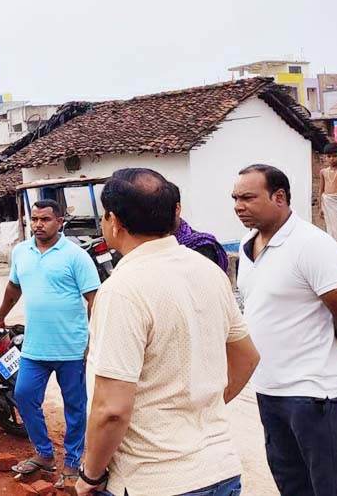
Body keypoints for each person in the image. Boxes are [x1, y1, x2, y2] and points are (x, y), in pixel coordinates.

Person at [76, 168, 260, 496]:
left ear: (114, 221)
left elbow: (111, 410)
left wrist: (90, 475)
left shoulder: (122, 290)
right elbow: (247, 356)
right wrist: (197, 408)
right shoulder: (209, 272)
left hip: (155, 480)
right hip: (220, 470)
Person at [233, 164, 337, 496]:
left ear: (278, 197)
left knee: (333, 490)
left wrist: (336, 338)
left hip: (316, 394)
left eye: (248, 197)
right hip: (270, 390)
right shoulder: (246, 245)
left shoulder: (312, 245)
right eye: (235, 198)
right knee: (293, 486)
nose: (239, 206)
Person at [0, 199, 100, 488]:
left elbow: (94, 299)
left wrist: (91, 339)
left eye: (45, 219)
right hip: (35, 347)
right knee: (24, 396)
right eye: (34, 219)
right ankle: (45, 454)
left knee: (74, 406)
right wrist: (0, 316)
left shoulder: (75, 255)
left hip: (71, 348)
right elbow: (14, 287)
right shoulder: (22, 252)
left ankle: (73, 463)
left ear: (59, 221)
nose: (38, 224)